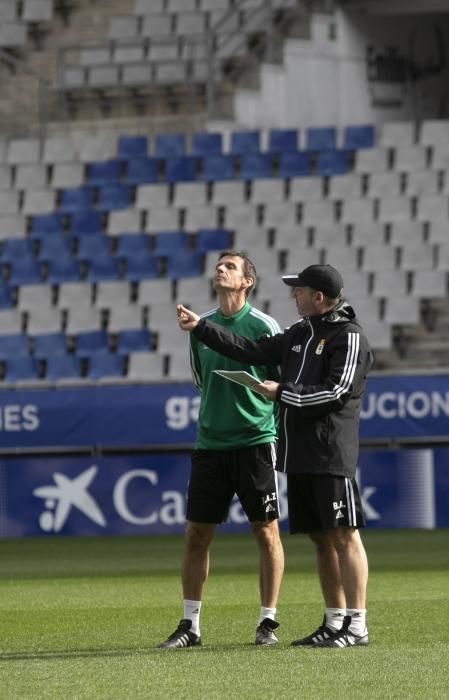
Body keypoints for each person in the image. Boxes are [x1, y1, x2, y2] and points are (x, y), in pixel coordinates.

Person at [176, 263, 373, 648]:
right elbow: (248, 349)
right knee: (320, 539)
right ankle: (334, 622)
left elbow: (337, 392)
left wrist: (280, 392)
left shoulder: (349, 337)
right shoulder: (299, 333)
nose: (292, 294)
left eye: (299, 289)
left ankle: (358, 624)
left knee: (344, 535)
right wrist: (201, 327)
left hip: (331, 451)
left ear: (318, 297)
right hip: (298, 452)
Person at [158, 250, 285, 649]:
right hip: (210, 444)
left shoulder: (264, 326)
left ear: (247, 280)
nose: (220, 269)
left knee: (265, 531)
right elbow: (202, 383)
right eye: (218, 265)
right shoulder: (201, 327)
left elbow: (282, 385)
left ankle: (268, 622)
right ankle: (190, 624)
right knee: (196, 533)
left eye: (230, 266)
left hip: (255, 443)